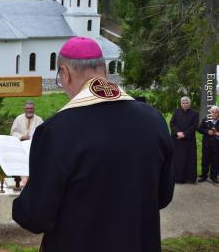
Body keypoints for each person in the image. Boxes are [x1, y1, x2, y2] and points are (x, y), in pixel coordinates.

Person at [12, 37, 175, 252]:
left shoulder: (56, 131)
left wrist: (26, 195)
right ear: (105, 69)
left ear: (65, 73)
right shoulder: (154, 120)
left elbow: (36, 217)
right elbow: (163, 197)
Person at [169, 96, 199, 184]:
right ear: (181, 104)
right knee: (177, 159)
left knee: (189, 159)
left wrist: (184, 134)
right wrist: (178, 132)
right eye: (183, 103)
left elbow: (194, 126)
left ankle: (189, 178)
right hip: (177, 140)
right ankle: (178, 178)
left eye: (187, 103)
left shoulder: (195, 113)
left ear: (189, 104)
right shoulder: (176, 111)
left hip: (188, 140)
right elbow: (172, 123)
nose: (185, 105)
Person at [197, 106, 219, 183]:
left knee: (215, 160)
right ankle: (204, 176)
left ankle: (214, 176)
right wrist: (207, 131)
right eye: (213, 112)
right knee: (205, 160)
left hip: (217, 145)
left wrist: (217, 133)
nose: (214, 114)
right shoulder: (206, 120)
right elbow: (199, 129)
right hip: (207, 144)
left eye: (216, 112)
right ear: (210, 112)